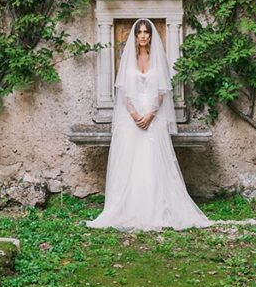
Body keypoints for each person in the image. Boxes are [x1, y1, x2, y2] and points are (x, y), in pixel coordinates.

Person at [86, 18, 212, 231]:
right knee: (131, 163)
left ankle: (157, 208)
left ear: (151, 36)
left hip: (153, 118)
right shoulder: (128, 60)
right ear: (135, 36)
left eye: (146, 32)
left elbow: (162, 90)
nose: (143, 36)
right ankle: (130, 209)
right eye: (139, 32)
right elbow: (123, 90)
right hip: (132, 118)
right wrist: (135, 114)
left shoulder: (157, 59)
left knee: (153, 162)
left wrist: (151, 114)